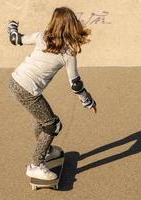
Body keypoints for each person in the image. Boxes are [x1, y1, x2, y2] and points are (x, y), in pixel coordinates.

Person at [8, 7, 97, 180]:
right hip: (27, 90)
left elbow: (15, 39)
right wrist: (88, 101)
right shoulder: (68, 51)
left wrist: (12, 27)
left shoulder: (42, 36)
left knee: (41, 119)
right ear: (72, 25)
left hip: (15, 81)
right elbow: (76, 85)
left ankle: (47, 151)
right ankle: (35, 164)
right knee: (53, 125)